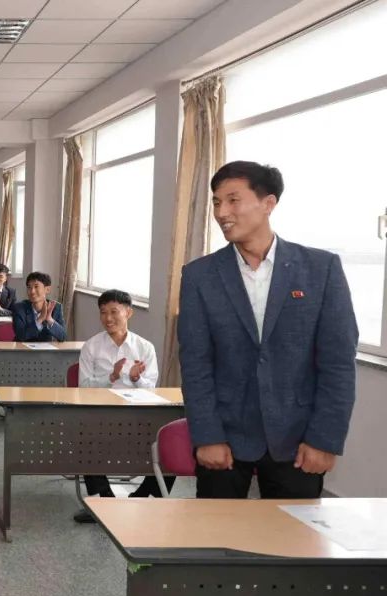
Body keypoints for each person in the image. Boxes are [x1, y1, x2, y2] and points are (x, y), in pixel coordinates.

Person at [179, 161, 358, 500]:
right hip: (225, 437)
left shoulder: (320, 269)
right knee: (216, 532)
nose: (221, 212)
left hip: (298, 439)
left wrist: (324, 439)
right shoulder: (199, 276)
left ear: (268, 203)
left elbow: (338, 363)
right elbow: (195, 363)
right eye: (216, 202)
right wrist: (207, 436)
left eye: (233, 200)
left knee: (294, 533)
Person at [72, 289, 170, 523]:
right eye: (103, 312)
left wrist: (136, 378)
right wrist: (111, 377)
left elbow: (151, 388)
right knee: (83, 435)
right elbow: (83, 386)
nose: (108, 318)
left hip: (138, 414)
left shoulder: (145, 347)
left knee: (170, 439)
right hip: (100, 413)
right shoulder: (91, 346)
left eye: (114, 312)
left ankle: (144, 497)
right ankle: (103, 500)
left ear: (129, 313)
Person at [12, 271, 66, 342]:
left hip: (46, 349)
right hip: (23, 348)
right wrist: (40, 319)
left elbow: (63, 337)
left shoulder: (56, 307)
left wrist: (49, 319)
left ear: (47, 289)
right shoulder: (19, 308)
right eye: (29, 287)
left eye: (36, 287)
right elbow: (21, 336)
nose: (32, 291)